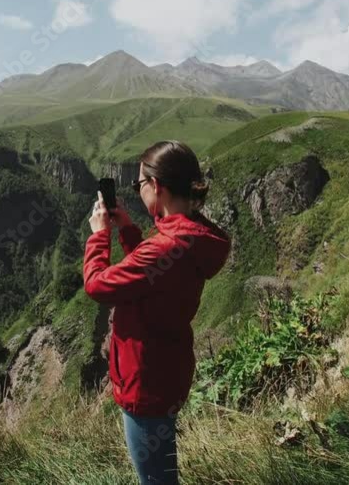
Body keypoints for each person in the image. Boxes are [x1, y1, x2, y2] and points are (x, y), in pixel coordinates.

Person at [83, 140, 232, 484]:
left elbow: (98, 286)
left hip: (144, 380)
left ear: (157, 186)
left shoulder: (167, 245)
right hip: (168, 369)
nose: (137, 192)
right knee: (162, 470)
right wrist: (129, 230)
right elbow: (156, 276)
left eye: (139, 185)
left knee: (156, 480)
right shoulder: (192, 235)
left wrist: (100, 236)